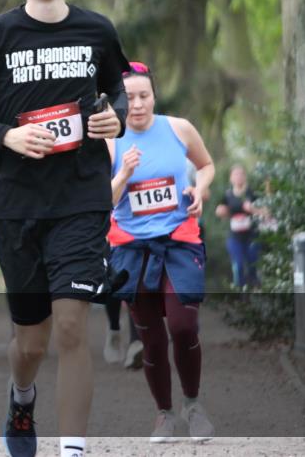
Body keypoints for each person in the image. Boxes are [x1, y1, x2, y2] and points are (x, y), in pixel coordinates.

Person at [0, 0, 130, 457]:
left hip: (82, 196)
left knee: (71, 326)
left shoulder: (96, 30)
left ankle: (72, 449)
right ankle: (21, 398)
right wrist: (6, 135)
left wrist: (116, 118)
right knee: (30, 342)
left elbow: (118, 90)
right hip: (18, 204)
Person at [107, 61, 216, 443]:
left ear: (154, 96)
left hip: (179, 241)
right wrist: (123, 174)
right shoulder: (109, 141)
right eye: (129, 98)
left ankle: (193, 405)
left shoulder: (178, 128)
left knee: (184, 326)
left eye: (144, 95)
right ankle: (164, 414)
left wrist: (199, 189)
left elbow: (206, 165)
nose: (137, 104)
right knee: (152, 340)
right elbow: (101, 200)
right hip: (132, 250)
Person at [215, 164, 263, 288]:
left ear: (245, 177)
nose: (238, 177)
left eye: (241, 174)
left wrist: (253, 209)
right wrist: (221, 211)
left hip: (252, 236)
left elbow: (266, 211)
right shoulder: (227, 195)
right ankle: (240, 292)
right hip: (235, 237)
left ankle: (255, 290)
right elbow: (219, 210)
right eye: (235, 174)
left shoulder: (252, 193)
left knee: (252, 266)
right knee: (239, 265)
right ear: (231, 178)